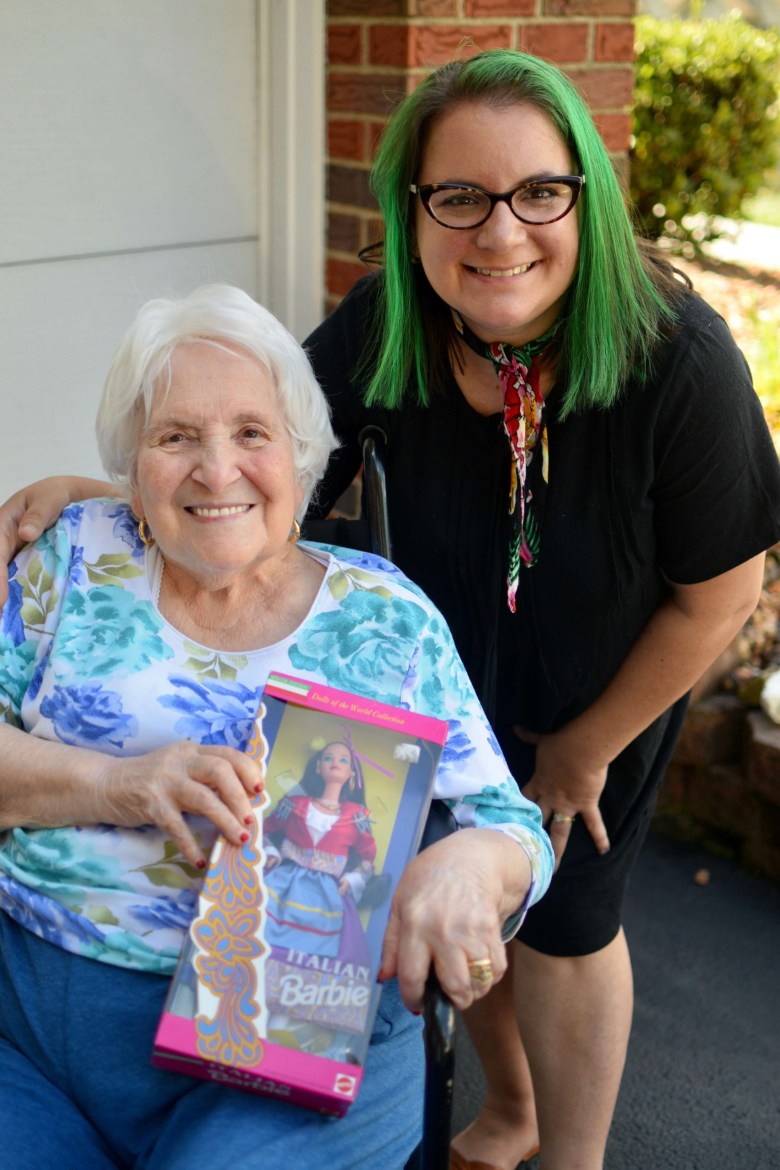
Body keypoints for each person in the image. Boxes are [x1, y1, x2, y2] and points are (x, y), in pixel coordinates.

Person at [2, 48, 779, 1170]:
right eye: (458, 197)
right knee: (439, 900)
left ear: (585, 199)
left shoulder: (677, 358)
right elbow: (261, 445)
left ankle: (574, 1156)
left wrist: (579, 754)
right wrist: (127, 491)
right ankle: (505, 1111)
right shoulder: (387, 324)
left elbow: (722, 595)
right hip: (441, 644)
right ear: (412, 216)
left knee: (564, 918)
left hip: (606, 679)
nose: (499, 231)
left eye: (537, 193)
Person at [0, 283, 555, 1170]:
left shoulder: (385, 618)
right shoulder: (69, 557)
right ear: (130, 466)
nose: (217, 471)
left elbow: (512, 826)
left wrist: (469, 865)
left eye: (252, 434)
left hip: (293, 1044)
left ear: (302, 460)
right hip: (29, 1039)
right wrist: (122, 783)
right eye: (175, 436)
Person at [262, 739, 376, 966]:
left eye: (343, 760)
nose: (335, 763)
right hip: (283, 882)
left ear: (351, 773)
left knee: (318, 951)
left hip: (326, 893)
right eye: (328, 758)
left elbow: (367, 858)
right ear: (318, 767)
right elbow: (264, 830)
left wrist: (352, 879)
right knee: (264, 928)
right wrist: (271, 851)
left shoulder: (357, 817)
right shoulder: (293, 804)